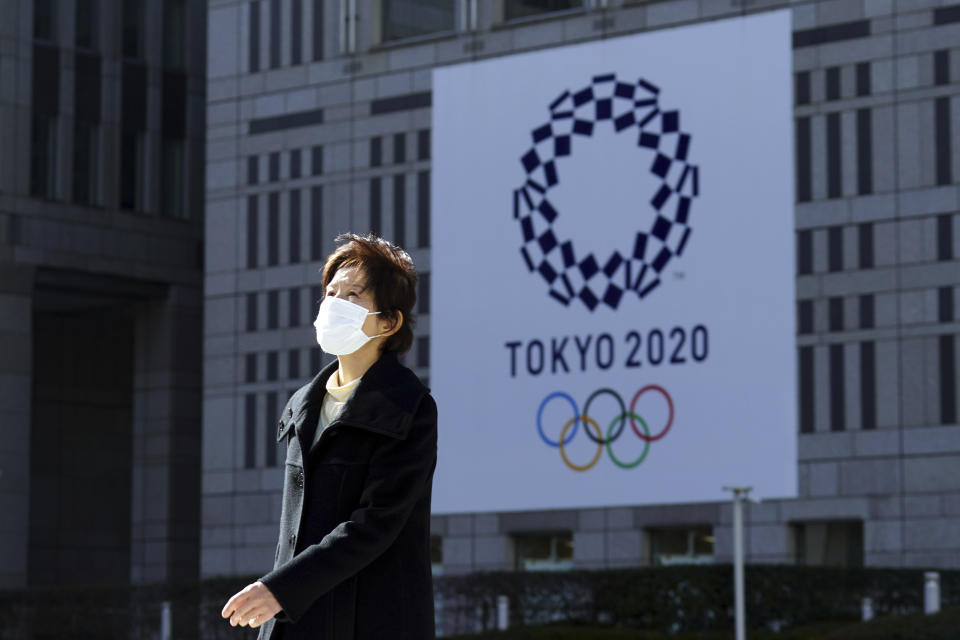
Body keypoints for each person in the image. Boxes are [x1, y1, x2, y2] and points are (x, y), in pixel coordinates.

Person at [221, 233, 438, 639]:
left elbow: (374, 524)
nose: (335, 305)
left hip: (372, 622)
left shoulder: (409, 408)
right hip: (298, 621)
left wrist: (279, 589)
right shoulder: (302, 405)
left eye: (353, 295)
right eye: (331, 293)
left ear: (389, 322)